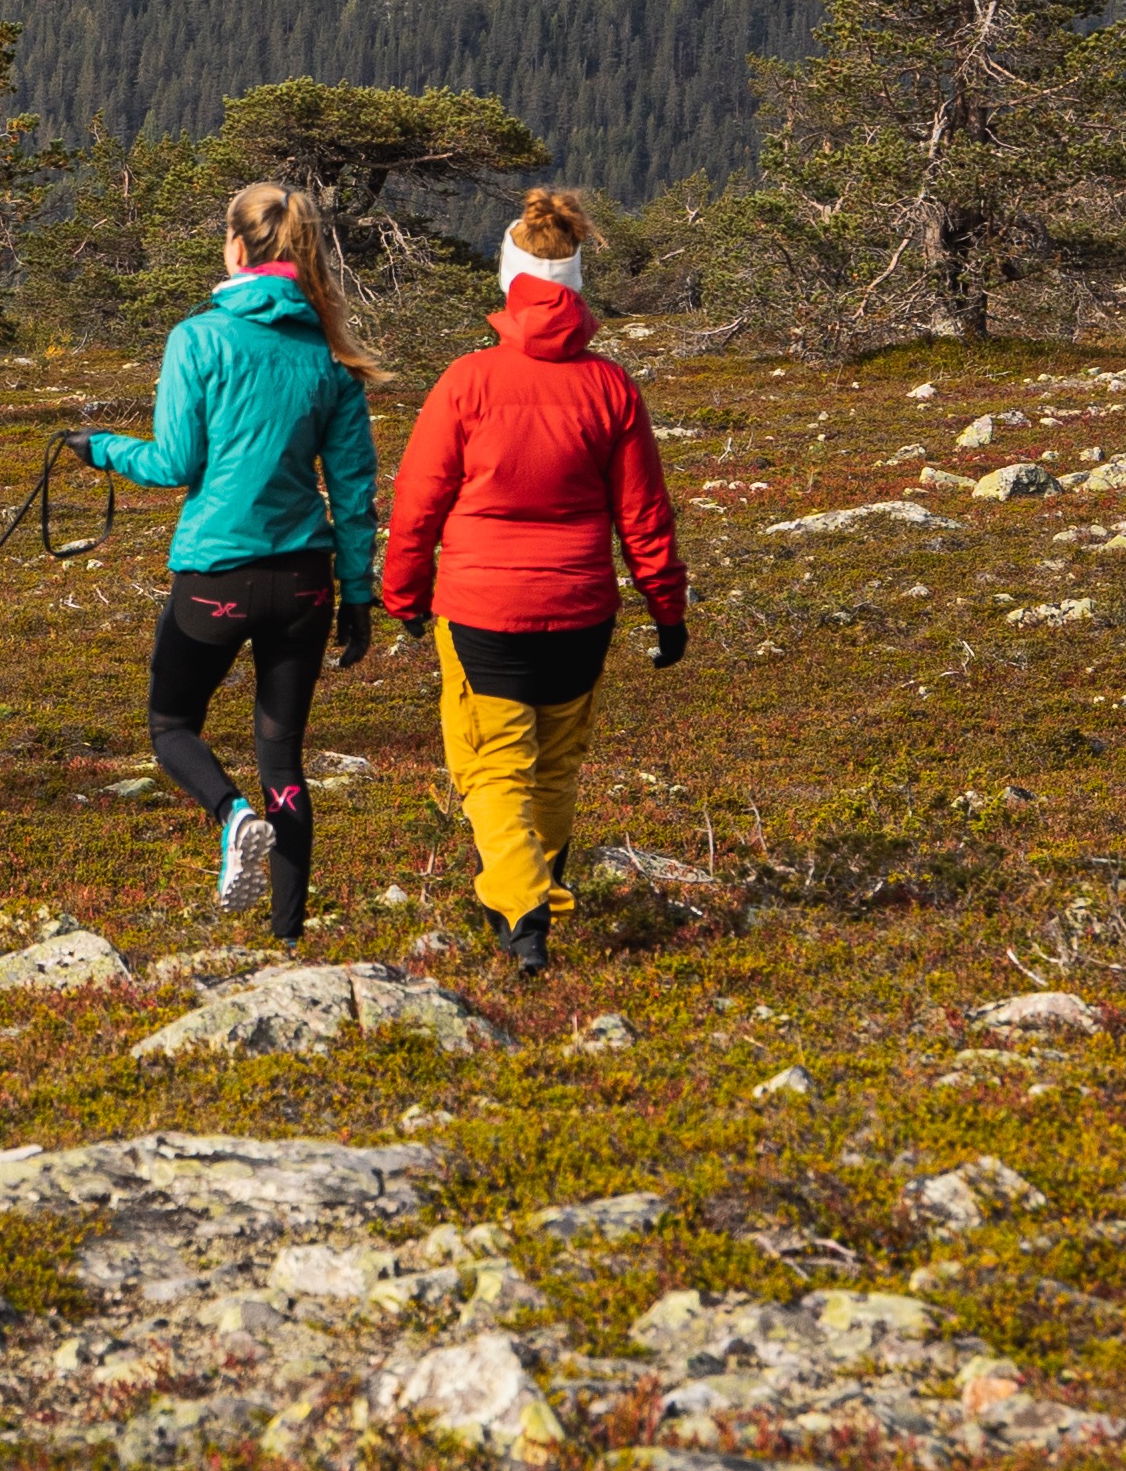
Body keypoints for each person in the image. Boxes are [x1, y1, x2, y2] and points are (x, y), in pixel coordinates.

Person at [373, 187, 686, 974]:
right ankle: (529, 894)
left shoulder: (467, 382)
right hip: (581, 610)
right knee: (555, 766)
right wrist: (667, 607)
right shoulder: (611, 387)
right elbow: (644, 513)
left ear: (508, 279)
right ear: (576, 284)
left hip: (482, 612)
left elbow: (418, 503)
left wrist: (403, 596)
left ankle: (523, 915)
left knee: (491, 769)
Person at [74, 181, 383, 945]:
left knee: (172, 722)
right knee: (283, 755)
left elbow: (175, 461)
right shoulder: (329, 357)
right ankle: (288, 936)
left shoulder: (199, 338)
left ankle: (230, 814)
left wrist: (100, 449)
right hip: (306, 582)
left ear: (235, 250)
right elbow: (354, 492)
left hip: (216, 576)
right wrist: (360, 597)